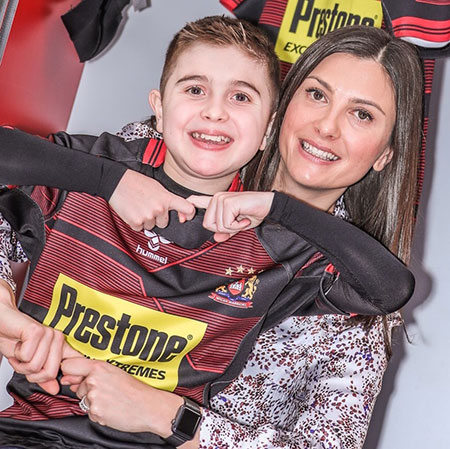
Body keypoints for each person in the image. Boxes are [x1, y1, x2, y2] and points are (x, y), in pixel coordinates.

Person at [0, 19, 417, 449]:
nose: (327, 127)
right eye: (316, 94)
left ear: (386, 152)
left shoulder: (338, 282)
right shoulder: (165, 153)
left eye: (362, 115)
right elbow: (21, 203)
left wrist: (171, 418)